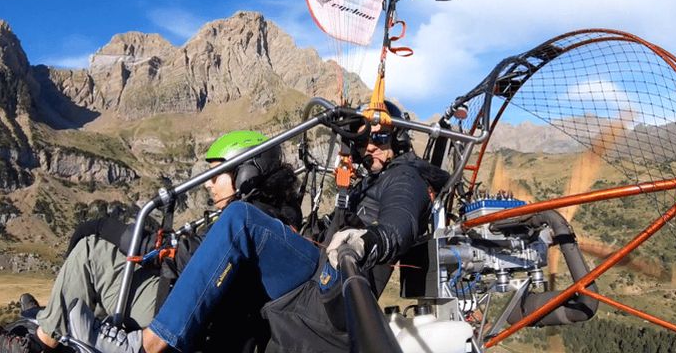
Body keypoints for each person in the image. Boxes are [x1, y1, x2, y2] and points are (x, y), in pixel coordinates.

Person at [69, 101, 449, 353]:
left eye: (376, 139)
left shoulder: (405, 178)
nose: (368, 149)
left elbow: (397, 225)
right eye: (364, 141)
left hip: (327, 295)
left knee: (240, 219)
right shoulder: (373, 179)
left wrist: (369, 241)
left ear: (397, 138)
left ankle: (147, 344)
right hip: (319, 283)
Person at [0, 130, 302, 353]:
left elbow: (196, 260)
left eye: (217, 174)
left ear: (246, 174)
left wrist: (150, 243)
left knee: (91, 251)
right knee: (105, 256)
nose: (209, 184)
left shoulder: (249, 218)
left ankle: (38, 343)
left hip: (181, 314)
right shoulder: (276, 215)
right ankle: (51, 318)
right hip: (188, 302)